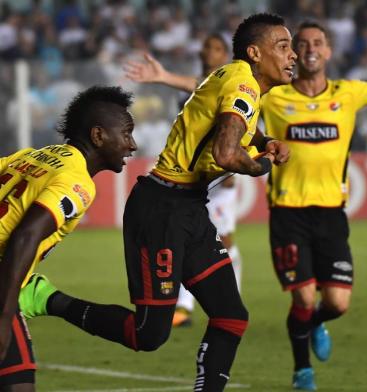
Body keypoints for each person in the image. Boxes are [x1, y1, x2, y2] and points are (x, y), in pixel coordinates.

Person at [19, 13, 294, 391]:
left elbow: (230, 126)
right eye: (283, 46)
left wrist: (263, 142)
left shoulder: (235, 79)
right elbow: (228, 153)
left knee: (231, 315)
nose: (291, 55)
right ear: (255, 53)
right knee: (148, 335)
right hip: (161, 210)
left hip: (189, 207)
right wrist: (261, 164)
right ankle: (45, 297)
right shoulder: (243, 84)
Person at [261, 20, 367, 390]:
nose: (310, 49)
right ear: (292, 53)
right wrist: (166, 78)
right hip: (288, 212)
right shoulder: (274, 96)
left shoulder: (347, 93)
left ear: (329, 50)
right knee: (302, 295)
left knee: (336, 304)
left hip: (332, 214)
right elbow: (217, 93)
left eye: (317, 42)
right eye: (300, 44)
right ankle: (302, 371)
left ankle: (318, 321)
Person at [0, 85, 137, 390]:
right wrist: (5, 315)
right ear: (98, 136)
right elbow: (25, 237)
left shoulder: (30, 157)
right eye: (126, 133)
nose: (133, 145)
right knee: (18, 384)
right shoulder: (77, 183)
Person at [124, 33, 244, 327]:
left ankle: (230, 296)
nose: (208, 52)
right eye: (205, 46)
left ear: (226, 55)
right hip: (190, 175)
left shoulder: (229, 86)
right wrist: (164, 77)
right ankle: (185, 306)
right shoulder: (198, 87)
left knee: (224, 241)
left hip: (217, 176)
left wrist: (232, 169)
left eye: (216, 48)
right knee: (185, 239)